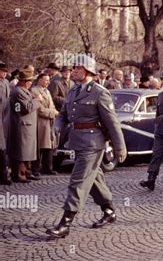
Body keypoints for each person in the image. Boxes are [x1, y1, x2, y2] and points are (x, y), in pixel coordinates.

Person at [45, 54, 127, 238]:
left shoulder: (99, 92)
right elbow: (63, 114)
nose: (74, 70)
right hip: (77, 141)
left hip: (93, 143)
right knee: (94, 180)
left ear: (88, 71)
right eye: (73, 67)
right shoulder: (73, 91)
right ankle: (109, 211)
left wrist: (120, 147)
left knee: (78, 180)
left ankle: (65, 223)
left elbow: (112, 122)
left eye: (77, 68)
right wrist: (56, 127)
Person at [6, 69, 41, 183]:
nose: (31, 83)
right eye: (30, 81)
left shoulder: (23, 90)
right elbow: (26, 108)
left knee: (26, 151)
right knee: (21, 151)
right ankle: (19, 174)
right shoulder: (18, 92)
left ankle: (26, 172)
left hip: (27, 125)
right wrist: (37, 100)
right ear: (25, 81)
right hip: (22, 125)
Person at [31, 73, 59, 176]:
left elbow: (51, 105)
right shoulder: (34, 91)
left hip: (49, 122)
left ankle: (48, 167)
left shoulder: (47, 91)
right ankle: (36, 169)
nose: (48, 82)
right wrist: (53, 113)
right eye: (46, 80)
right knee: (40, 147)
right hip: (40, 122)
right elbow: (40, 110)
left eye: (48, 80)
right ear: (40, 80)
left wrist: (54, 112)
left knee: (49, 146)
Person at [0, 62, 11, 185]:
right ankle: (3, 175)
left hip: (5, 118)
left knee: (3, 148)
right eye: (2, 71)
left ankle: (3, 175)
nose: (4, 73)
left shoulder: (6, 83)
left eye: (5, 71)